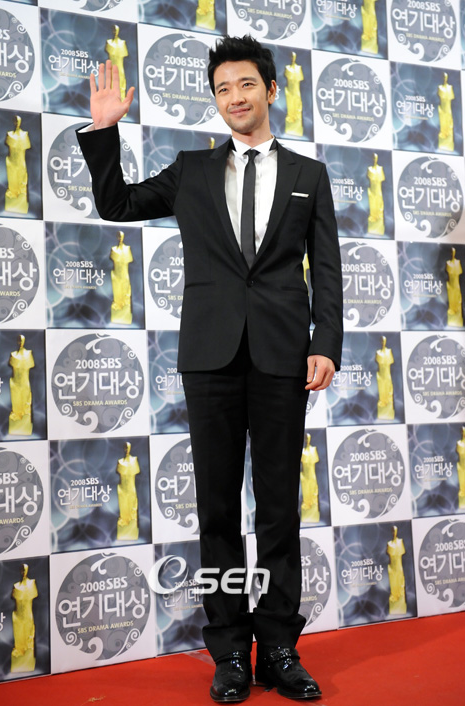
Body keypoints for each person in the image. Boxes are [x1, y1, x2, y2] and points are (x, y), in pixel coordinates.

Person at [77, 35, 343, 702]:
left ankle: (278, 647)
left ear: (271, 90)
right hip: (210, 357)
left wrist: (327, 343)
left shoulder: (309, 175)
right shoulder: (191, 171)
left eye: (246, 84)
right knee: (217, 508)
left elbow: (327, 270)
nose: (234, 97)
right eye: (223, 89)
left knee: (279, 509)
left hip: (283, 355)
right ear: (216, 100)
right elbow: (117, 204)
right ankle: (229, 650)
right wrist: (103, 134)